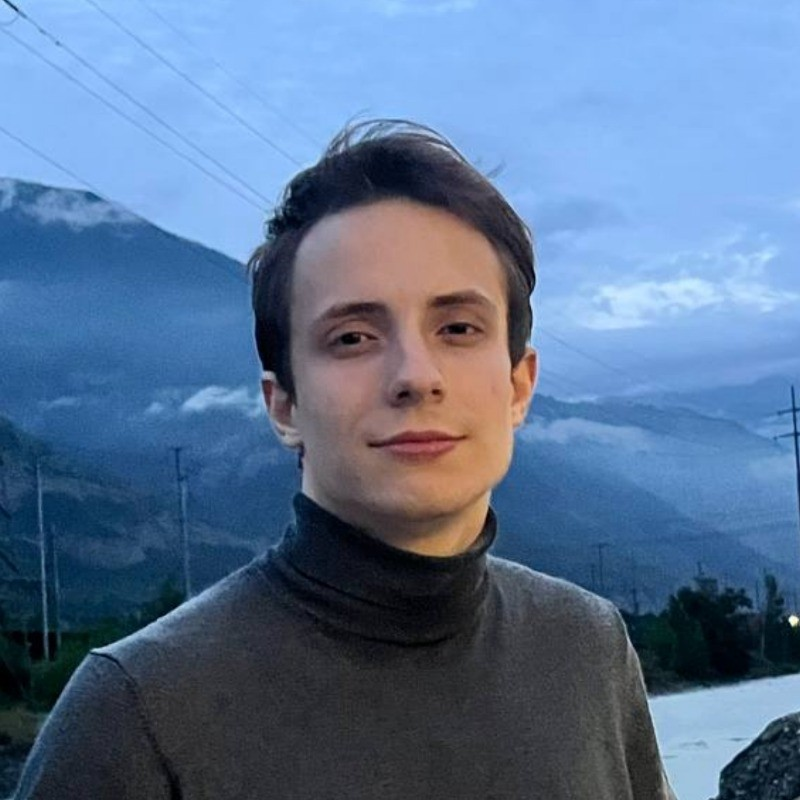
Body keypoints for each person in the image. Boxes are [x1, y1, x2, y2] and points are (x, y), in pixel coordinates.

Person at [15, 121, 676, 799]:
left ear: (518, 386)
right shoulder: (138, 714)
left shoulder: (586, 649)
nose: (416, 376)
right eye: (353, 337)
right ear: (284, 405)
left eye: (457, 328)